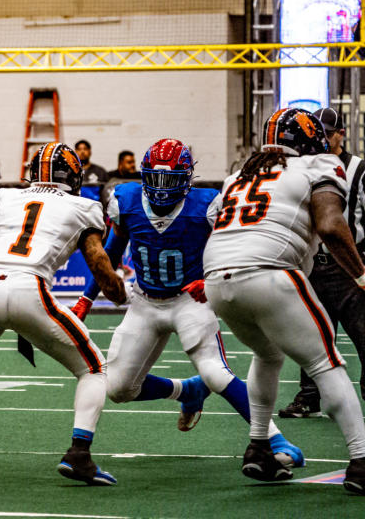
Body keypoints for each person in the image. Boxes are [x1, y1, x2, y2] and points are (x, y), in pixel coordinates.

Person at [74, 138, 303, 467]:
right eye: (155, 178)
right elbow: (107, 255)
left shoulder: (207, 205)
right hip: (145, 301)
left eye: (170, 179)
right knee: (119, 387)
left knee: (215, 373)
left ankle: (274, 437)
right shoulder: (126, 199)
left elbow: (227, 249)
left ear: (187, 178)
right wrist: (86, 298)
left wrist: (209, 280)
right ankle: (186, 391)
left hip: (189, 300)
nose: (162, 188)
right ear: (143, 175)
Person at [0, 142, 127, 486]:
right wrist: (117, 290)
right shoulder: (84, 206)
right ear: (74, 177)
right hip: (30, 287)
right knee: (93, 368)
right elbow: (97, 261)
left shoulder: (6, 197)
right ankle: (79, 453)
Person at [203, 108, 365, 492]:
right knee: (326, 363)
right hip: (269, 273)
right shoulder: (318, 166)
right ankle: (361, 461)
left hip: (218, 280)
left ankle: (259, 447)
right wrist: (360, 274)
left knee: (268, 353)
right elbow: (330, 224)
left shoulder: (236, 177)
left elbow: (217, 220)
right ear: (312, 141)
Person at [279, 107, 365, 418]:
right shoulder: (301, 170)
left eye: (328, 134)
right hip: (314, 265)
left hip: (349, 265)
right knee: (312, 334)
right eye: (318, 134)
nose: (323, 140)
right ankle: (309, 396)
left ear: (341, 134)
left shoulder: (358, 169)